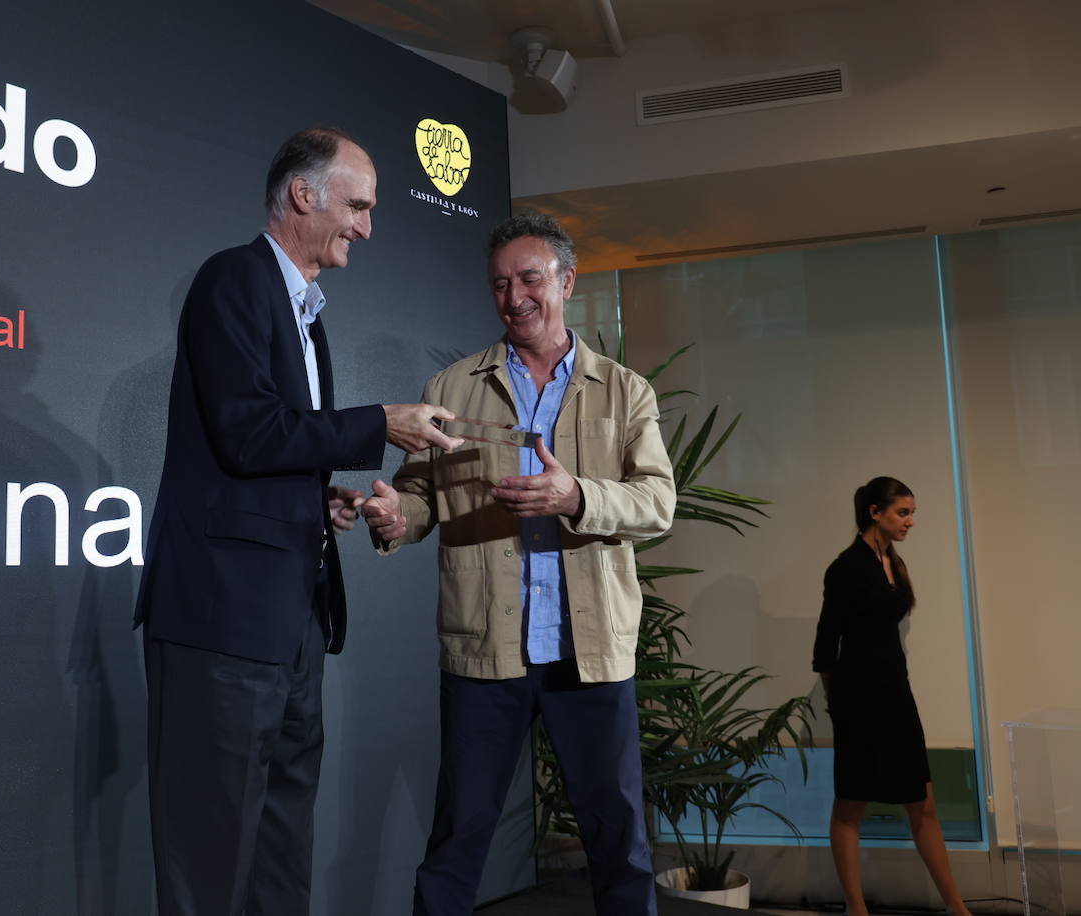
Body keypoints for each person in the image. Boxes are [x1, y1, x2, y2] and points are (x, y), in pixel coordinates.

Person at [133, 126, 463, 916]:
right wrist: (379, 422)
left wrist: (316, 499)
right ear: (302, 195)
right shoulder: (234, 280)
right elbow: (247, 429)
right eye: (358, 205)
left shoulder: (307, 313)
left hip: (293, 619)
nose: (367, 226)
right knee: (209, 855)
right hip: (223, 619)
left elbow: (260, 453)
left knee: (281, 847)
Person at [360, 212, 675, 916]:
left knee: (619, 844)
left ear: (566, 282)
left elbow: (657, 503)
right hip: (485, 652)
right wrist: (391, 516)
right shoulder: (451, 387)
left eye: (531, 279)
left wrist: (576, 495)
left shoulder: (625, 391)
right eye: (500, 284)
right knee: (457, 840)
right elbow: (418, 498)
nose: (515, 297)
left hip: (588, 655)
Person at [811, 477, 974, 916]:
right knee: (851, 803)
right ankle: (856, 909)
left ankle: (958, 909)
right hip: (858, 699)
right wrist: (835, 704)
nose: (910, 521)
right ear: (875, 512)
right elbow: (826, 644)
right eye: (903, 512)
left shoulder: (892, 562)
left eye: (911, 512)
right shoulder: (846, 567)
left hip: (895, 694)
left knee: (922, 802)